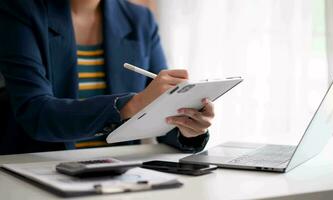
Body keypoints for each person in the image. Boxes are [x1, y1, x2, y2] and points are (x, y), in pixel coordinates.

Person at [0, 0, 214, 155]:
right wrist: (132, 104)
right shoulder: (19, 9)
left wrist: (188, 127)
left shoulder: (140, 20)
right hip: (38, 169)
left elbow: (160, 114)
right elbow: (35, 113)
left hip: (121, 172)